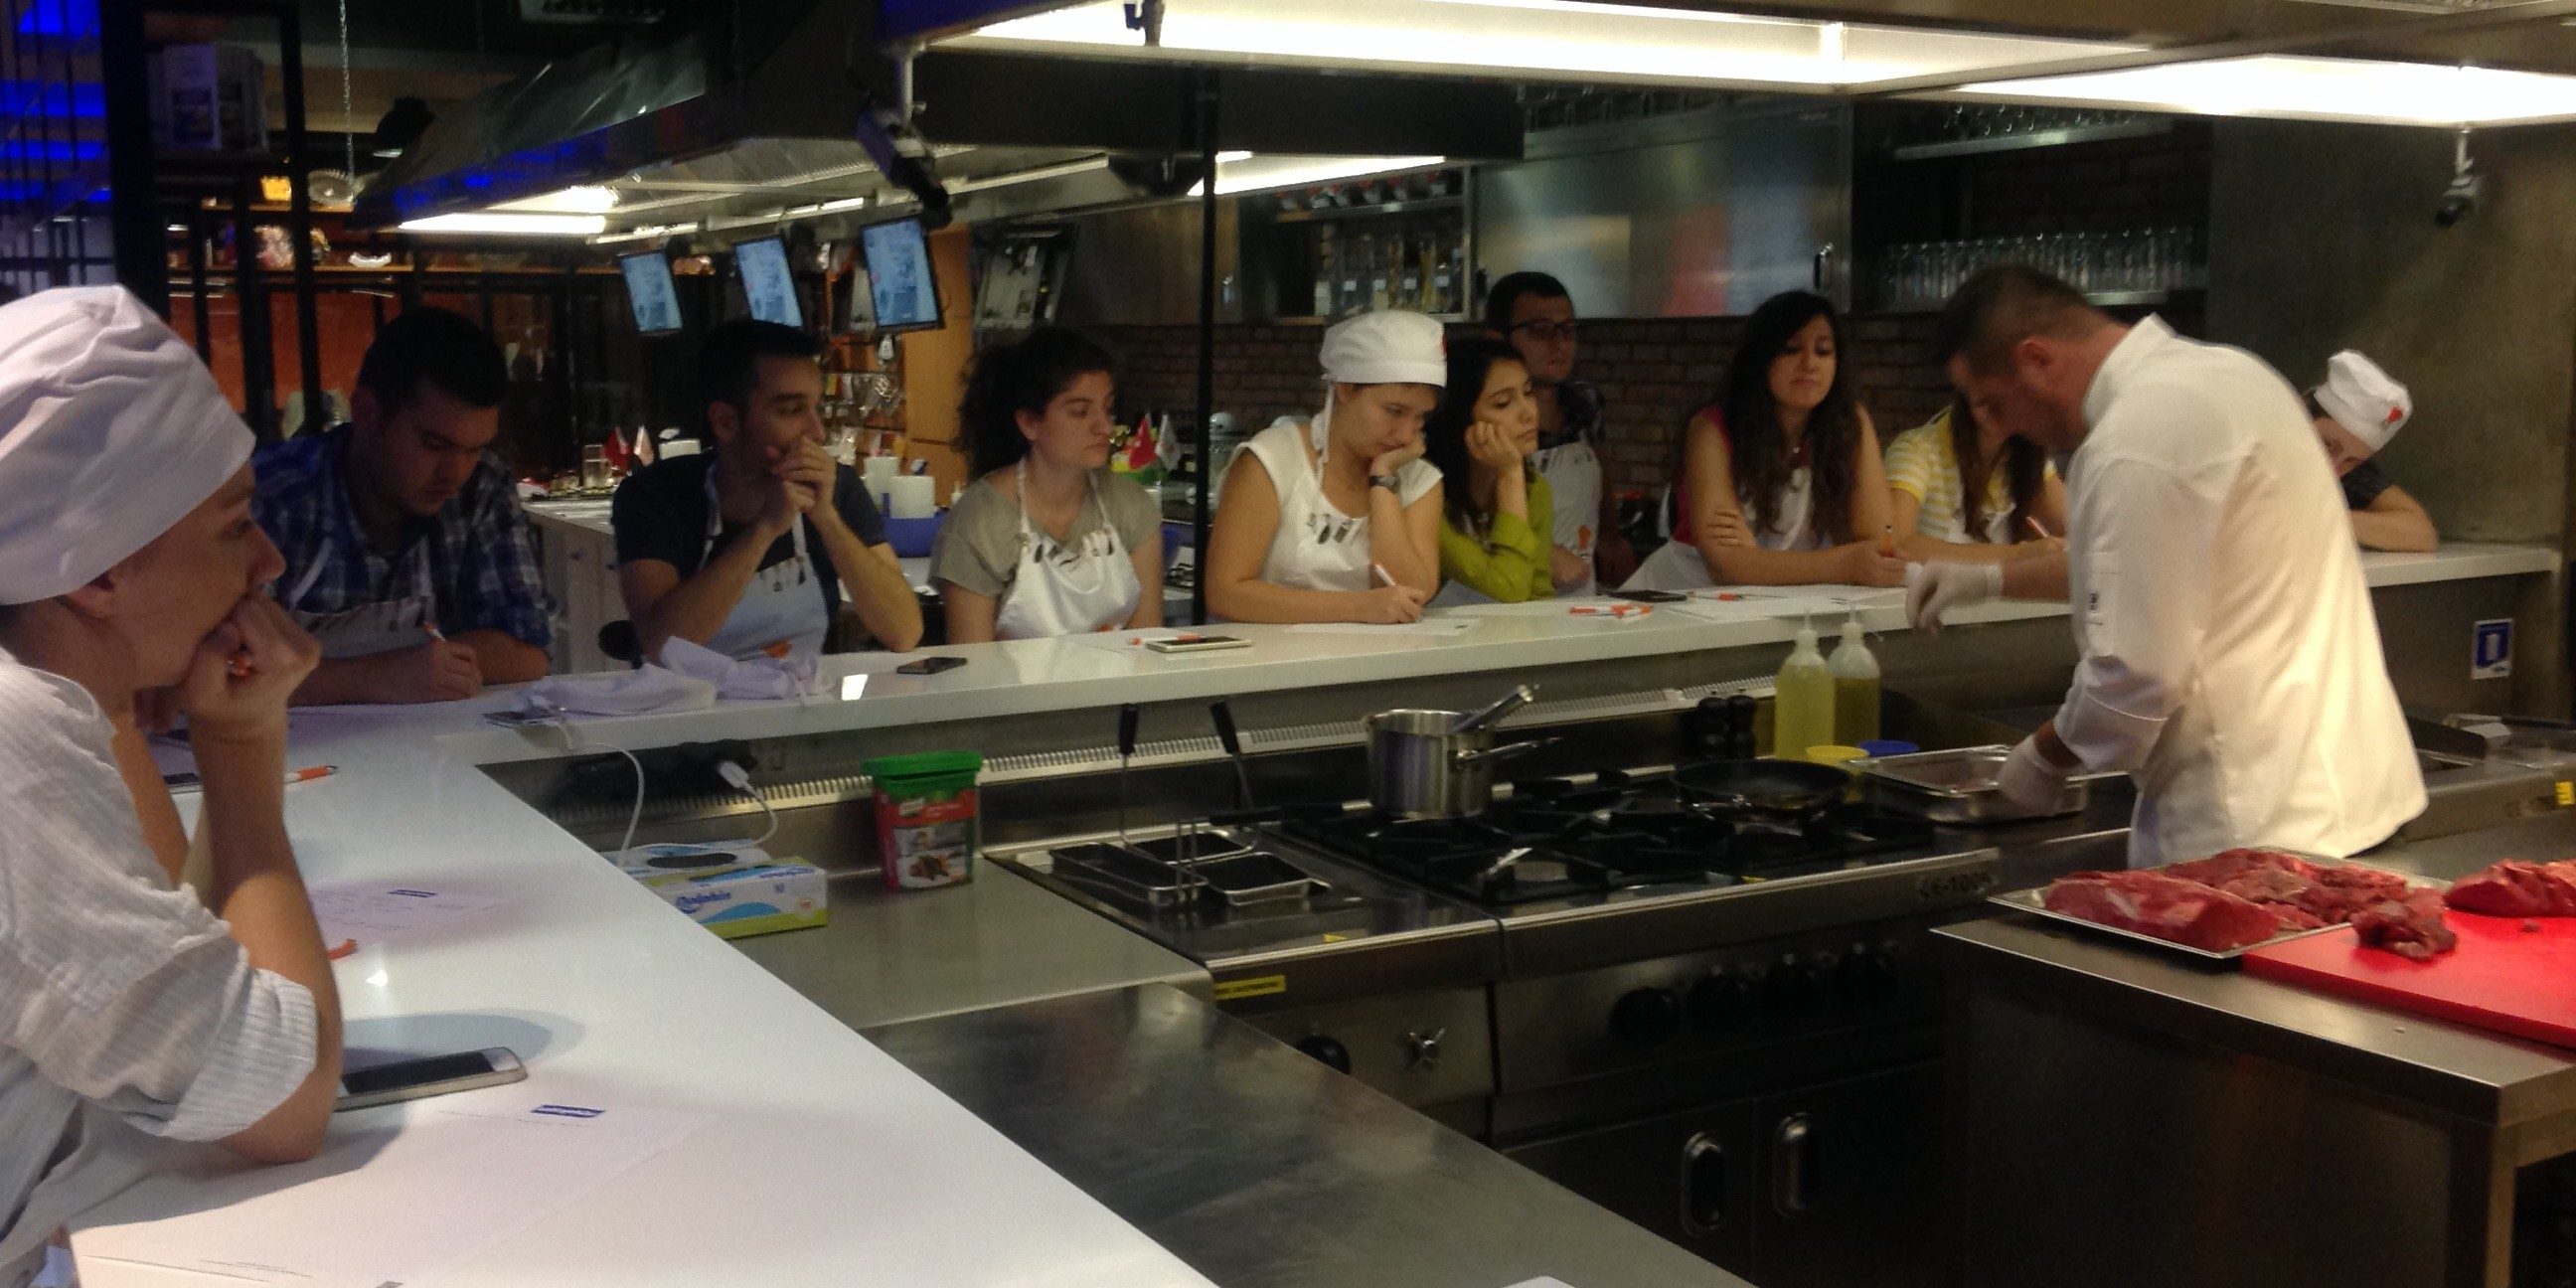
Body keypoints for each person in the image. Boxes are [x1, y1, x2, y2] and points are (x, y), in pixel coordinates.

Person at [0, 288, 342, 1286]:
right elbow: (282, 1098)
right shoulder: (13, 737)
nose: (269, 561)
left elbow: (175, 951)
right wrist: (241, 746)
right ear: (98, 573)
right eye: (234, 526)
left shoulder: (51, 701)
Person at [1932, 265, 2423, 867]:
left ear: (2036, 358)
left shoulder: (2135, 438)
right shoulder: (2235, 374)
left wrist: (2043, 759)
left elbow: (2136, 677)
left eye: (1991, 403)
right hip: (2352, 801)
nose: (1998, 427)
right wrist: (1988, 579)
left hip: (2252, 833)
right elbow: (2161, 573)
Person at [255, 306, 551, 704]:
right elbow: (218, 672)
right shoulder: (273, 495)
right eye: (434, 444)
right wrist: (376, 676)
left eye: (474, 449)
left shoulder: (482, 486)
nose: (455, 473)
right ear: (366, 413)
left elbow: (527, 649)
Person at [613, 319, 923, 660]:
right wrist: (765, 529)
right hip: (687, 694)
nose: (817, 432)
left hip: (803, 690)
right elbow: (663, 645)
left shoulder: (837, 486)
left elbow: (904, 632)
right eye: (791, 410)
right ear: (725, 422)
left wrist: (827, 519)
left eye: (817, 408)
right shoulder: (654, 496)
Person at [1624, 290, 1906, 591]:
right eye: (1791, 349)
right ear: (1760, 359)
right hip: (1682, 596)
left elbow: (1878, 538)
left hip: (1782, 601)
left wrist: (1759, 559)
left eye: (1823, 351)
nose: (1809, 363)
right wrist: (1844, 563)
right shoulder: (1711, 428)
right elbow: (1726, 566)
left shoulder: (1850, 423)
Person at [1206, 311, 1444, 624]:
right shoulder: (1273, 460)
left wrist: (1383, 480)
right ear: (1344, 389)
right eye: (1394, 411)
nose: (1406, 435)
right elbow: (1225, 593)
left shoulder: (1419, 479)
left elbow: (1415, 591)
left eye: (1420, 417)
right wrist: (1358, 607)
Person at [933, 329, 1164, 641]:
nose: (1105, 427)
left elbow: (1148, 645)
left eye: (1107, 409)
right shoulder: (980, 522)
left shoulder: (1131, 506)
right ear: (1029, 423)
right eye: (1080, 412)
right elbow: (971, 661)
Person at [1486, 272, 1634, 591]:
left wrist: (1610, 536)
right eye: (1540, 330)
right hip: (1506, 584)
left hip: (1579, 581)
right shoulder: (1481, 415)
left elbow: (1601, 470)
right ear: (1497, 338)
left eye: (1568, 330)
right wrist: (1544, 551)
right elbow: (1468, 510)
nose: (1560, 343)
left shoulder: (1584, 402)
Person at [1423, 336, 1553, 603]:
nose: (1529, 413)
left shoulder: (1534, 488)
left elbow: (1539, 593)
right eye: (1503, 403)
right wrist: (1509, 476)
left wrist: (1512, 478)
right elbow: (1509, 586)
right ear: (1460, 417)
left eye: (1528, 392)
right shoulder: (1423, 491)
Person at [1882, 395, 2068, 564]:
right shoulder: (1916, 450)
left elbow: (2074, 526)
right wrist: (2020, 554)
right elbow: (1896, 544)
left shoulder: (2027, 458)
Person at [2308, 350, 2439, 553]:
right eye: (2328, 445)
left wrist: (2327, 519)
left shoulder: (2349, 473)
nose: (2334, 467)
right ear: (2302, 414)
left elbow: (2422, 534)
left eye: (2352, 460)